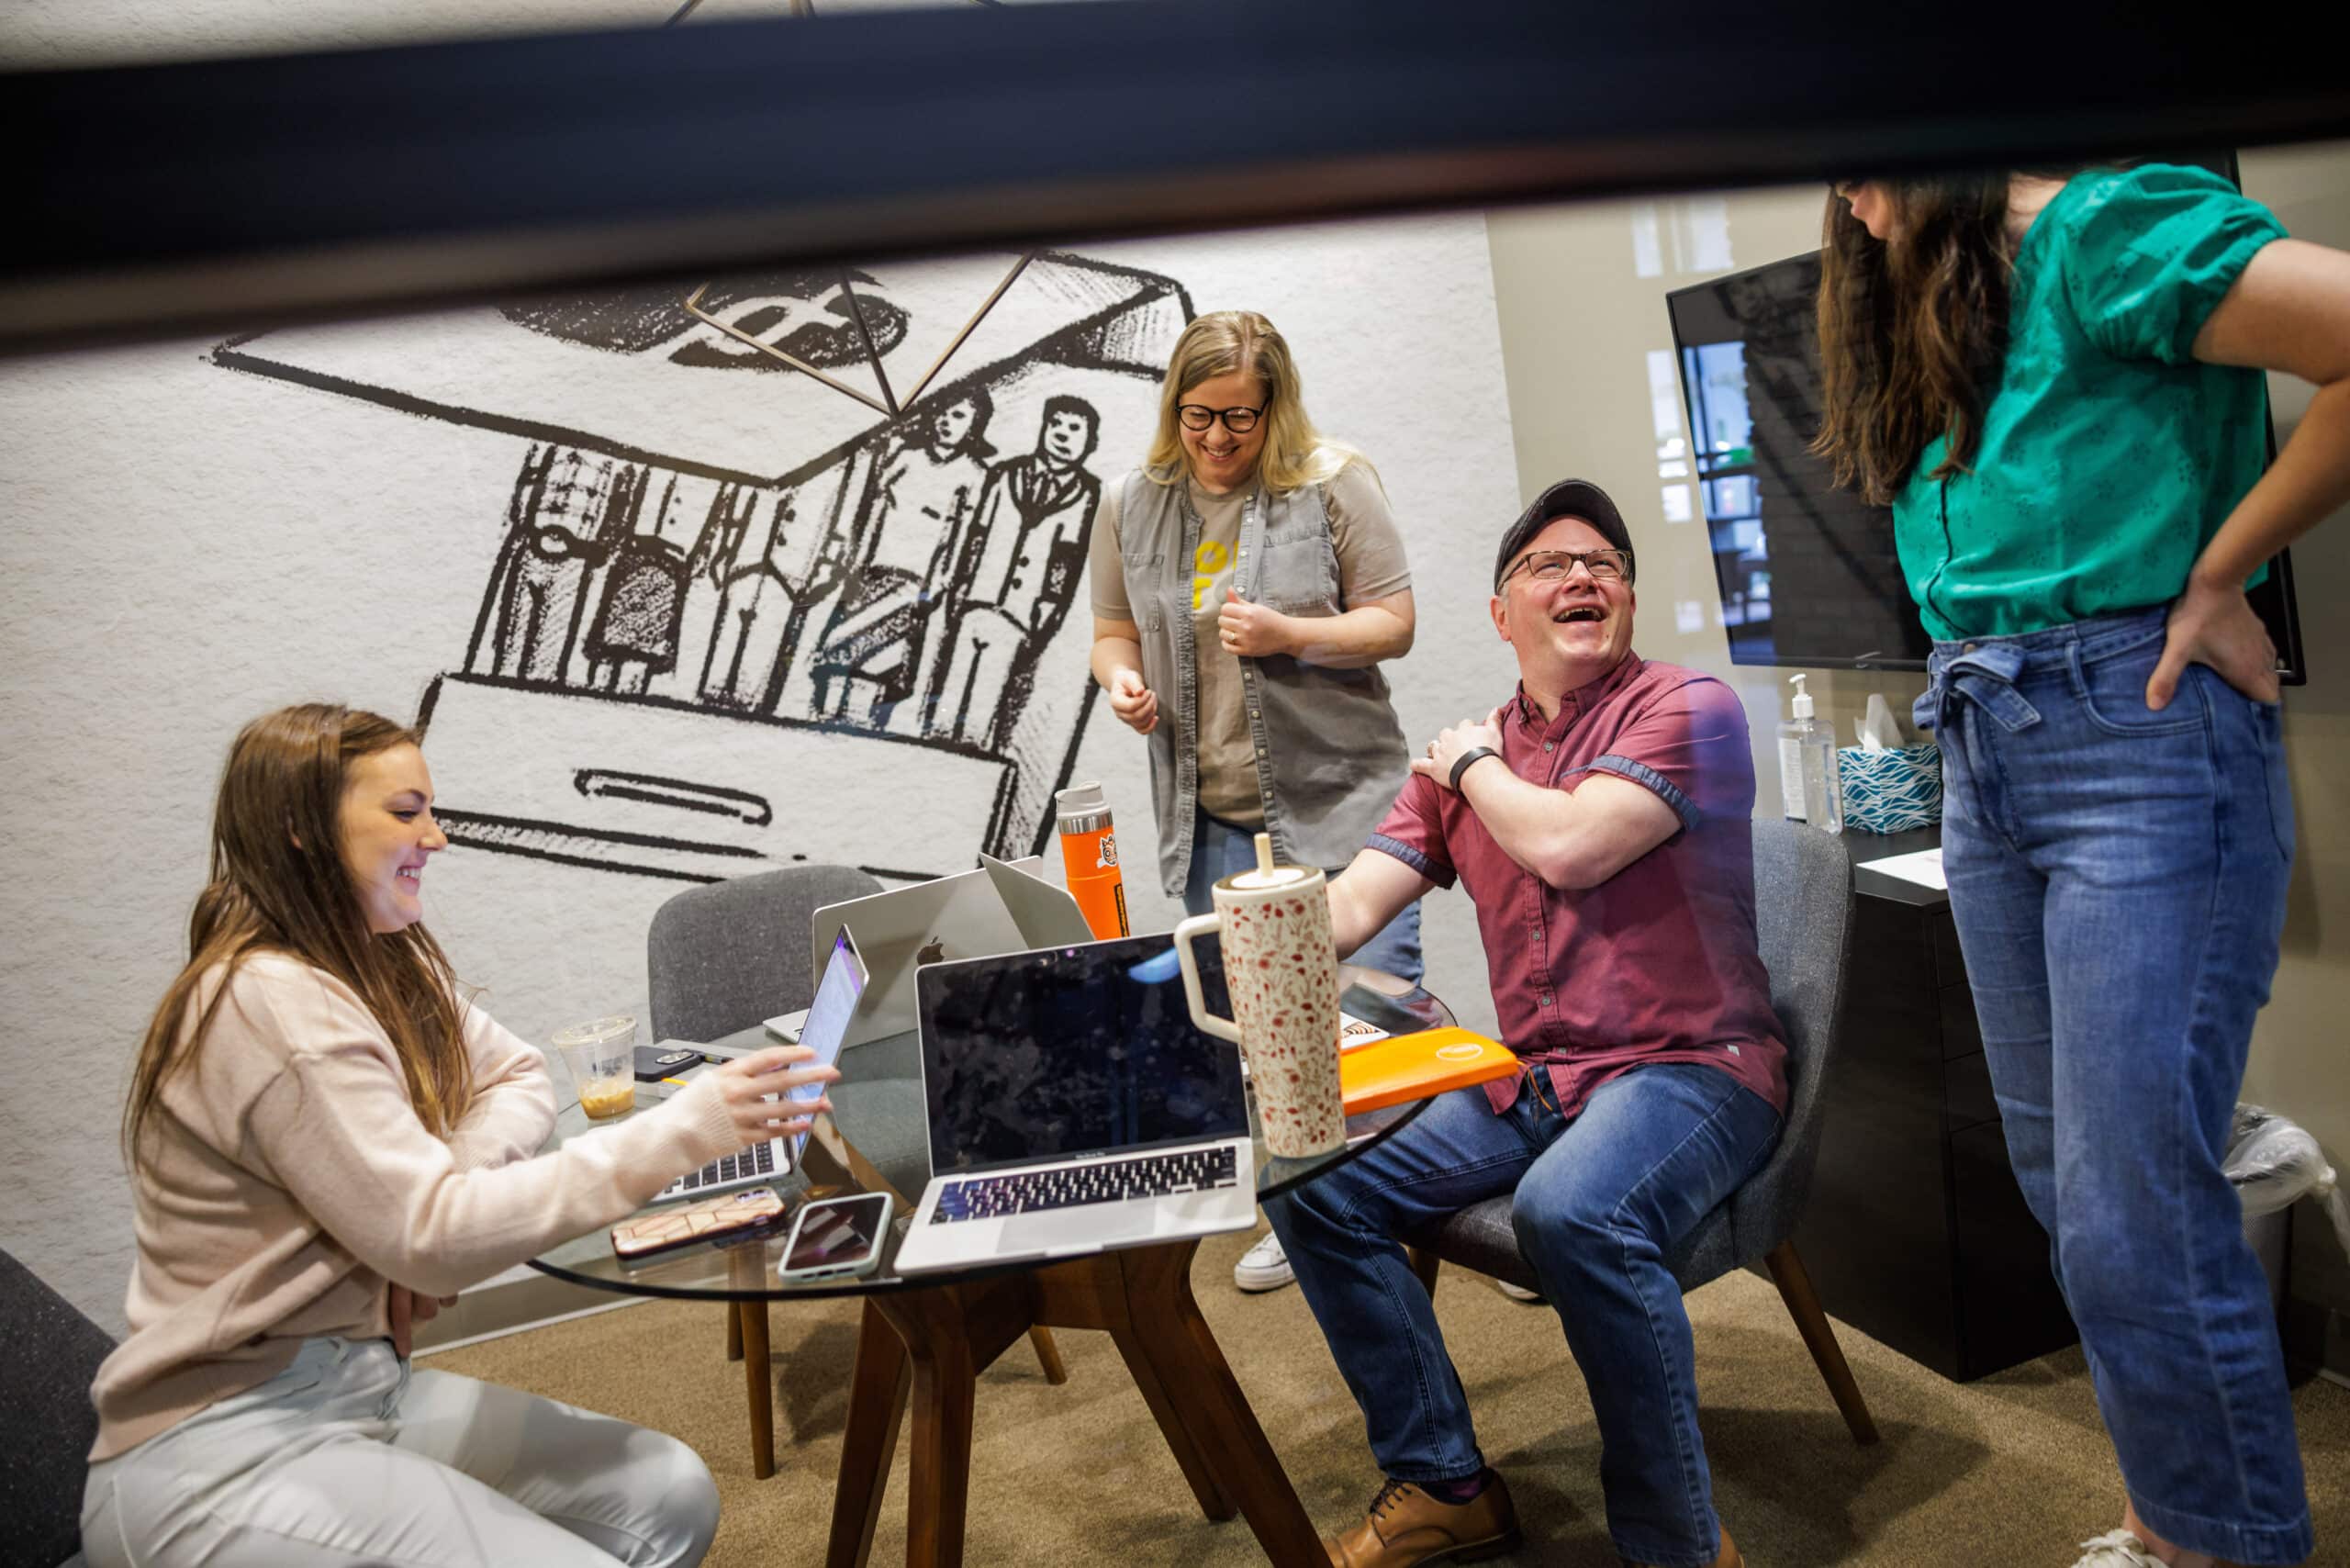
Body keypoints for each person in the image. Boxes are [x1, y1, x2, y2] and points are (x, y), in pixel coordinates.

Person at [1816, 164, 2350, 1568]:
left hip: (2139, 733)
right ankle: (2175, 1521)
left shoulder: (2101, 231)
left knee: (2130, 1210)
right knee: (2072, 1195)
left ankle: (2227, 1542)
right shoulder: (1955, 305)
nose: (1857, 212)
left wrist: (2224, 570)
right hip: (1985, 741)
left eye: (1867, 175)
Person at [82, 703, 839, 1568]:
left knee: (669, 1497)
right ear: (299, 829)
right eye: (405, 814)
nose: (435, 838)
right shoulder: (270, 1003)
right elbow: (437, 1242)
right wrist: (682, 1131)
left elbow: (514, 1076)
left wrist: (418, 1212)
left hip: (361, 1391)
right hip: (220, 1451)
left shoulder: (378, 955)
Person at [1267, 479, 1783, 1568]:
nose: (1583, 575)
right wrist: (1234, 940)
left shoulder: (1687, 708)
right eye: (1549, 565)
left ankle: (1676, 1544)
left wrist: (1467, 766)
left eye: (1604, 563)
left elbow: (1570, 845)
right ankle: (1445, 1482)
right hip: (1538, 1079)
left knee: (1572, 1214)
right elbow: (1355, 904)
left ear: (1628, 602)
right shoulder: (1473, 757)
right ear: (1502, 614)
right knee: (1316, 1180)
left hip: (1693, 1068)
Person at [1085, 309, 1420, 1294]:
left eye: (1239, 418)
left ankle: (1404, 1209)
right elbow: (1110, 631)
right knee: (1255, 1041)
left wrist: (1289, 633)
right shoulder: (1129, 503)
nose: (1219, 440)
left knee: (1368, 1028)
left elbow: (1392, 623)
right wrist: (1120, 685)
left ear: (1273, 407)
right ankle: (1305, 1210)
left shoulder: (1332, 481)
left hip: (1340, 800)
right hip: (1209, 812)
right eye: (1199, 418)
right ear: (1172, 407)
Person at [925, 395, 1105, 747]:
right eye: (1056, 425)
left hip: (1021, 612)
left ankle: (972, 752)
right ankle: (936, 745)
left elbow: (1065, 560)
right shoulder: (1005, 473)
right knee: (952, 683)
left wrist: (1047, 609)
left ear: (1090, 442)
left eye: (1074, 429)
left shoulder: (1086, 493)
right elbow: (977, 535)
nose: (1062, 435)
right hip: (978, 597)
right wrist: (961, 587)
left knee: (987, 695)